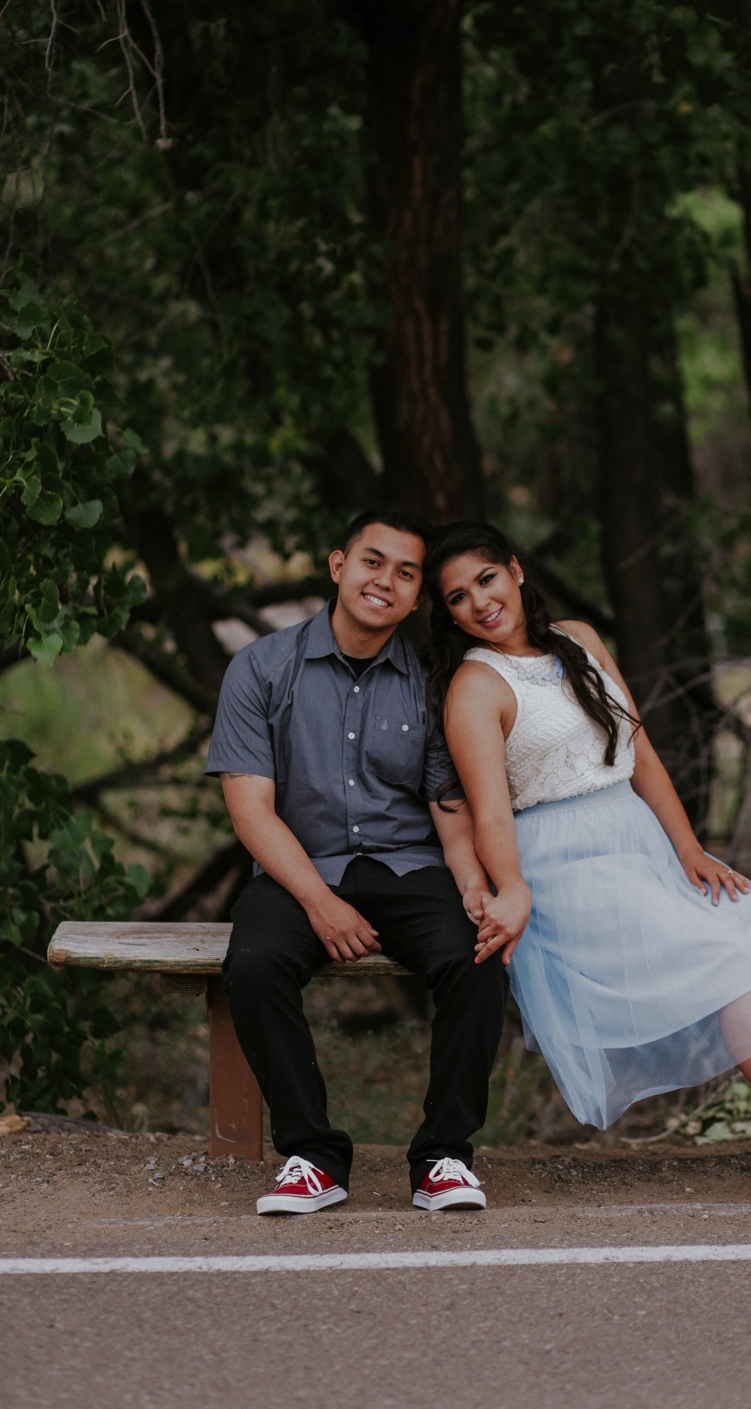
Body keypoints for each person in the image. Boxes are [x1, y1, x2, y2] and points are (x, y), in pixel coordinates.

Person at [423, 521, 751, 1203]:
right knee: (728, 967)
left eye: (486, 580)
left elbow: (639, 751)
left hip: (638, 845)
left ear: (517, 571)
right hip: (568, 870)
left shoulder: (580, 639)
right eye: (458, 598)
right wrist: (514, 888)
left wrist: (688, 848)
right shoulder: (475, 685)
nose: (478, 603)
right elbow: (490, 812)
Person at [206, 508, 508, 1215]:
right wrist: (319, 901)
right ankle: (311, 1156)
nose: (387, 582)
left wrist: (473, 887)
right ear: (339, 564)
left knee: (481, 954)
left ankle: (443, 1158)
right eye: (374, 562)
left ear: (416, 597)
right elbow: (251, 810)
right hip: (301, 867)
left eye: (407, 574)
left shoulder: (436, 679)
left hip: (409, 867)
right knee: (252, 962)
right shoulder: (261, 667)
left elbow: (447, 802)